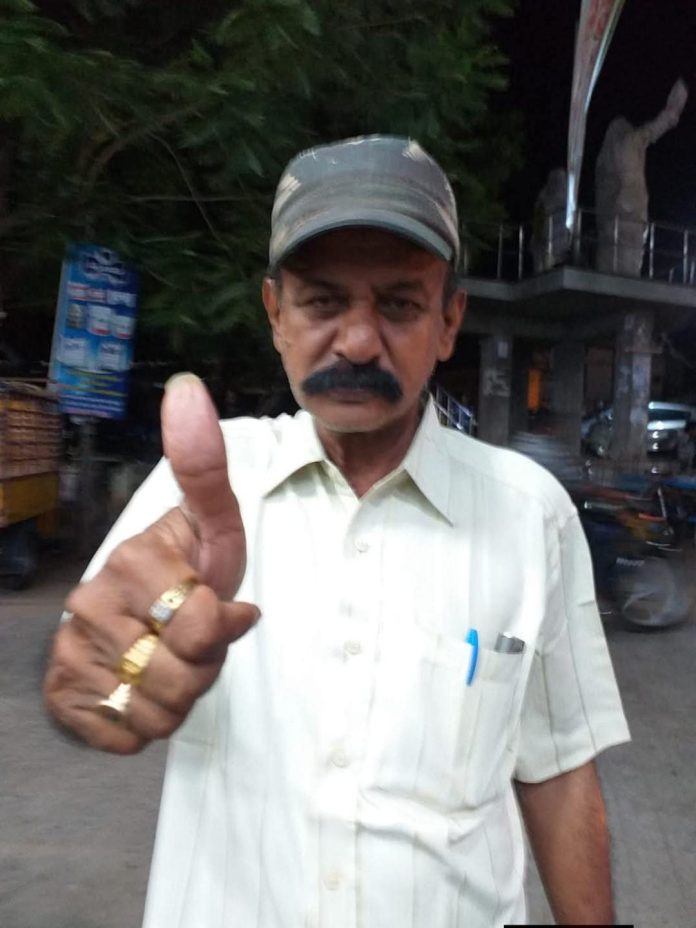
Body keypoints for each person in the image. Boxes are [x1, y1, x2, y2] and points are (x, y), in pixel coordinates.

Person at [45, 136, 630, 927]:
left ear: (449, 322)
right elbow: (89, 659)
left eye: (400, 305)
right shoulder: (201, 484)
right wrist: (99, 674)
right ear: (275, 315)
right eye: (323, 302)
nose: (357, 342)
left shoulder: (531, 514)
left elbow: (558, 773)